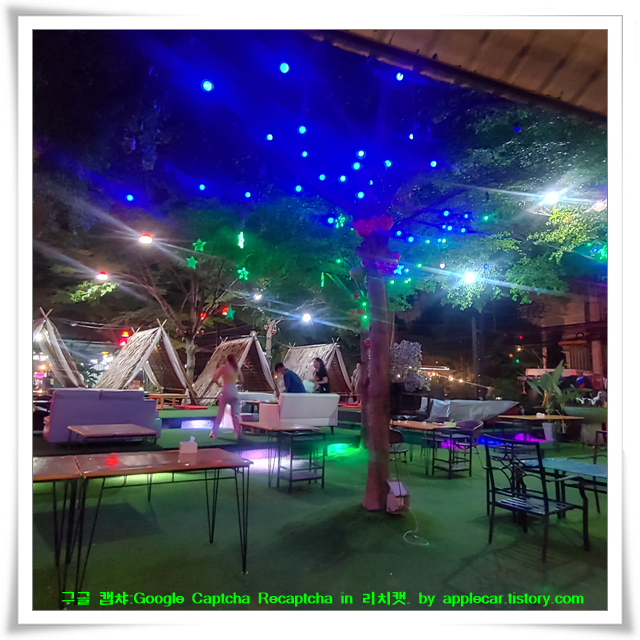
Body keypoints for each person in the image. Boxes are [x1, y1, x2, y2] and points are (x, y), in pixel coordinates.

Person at [210, 354, 243, 439]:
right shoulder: (237, 369)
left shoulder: (223, 368)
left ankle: (214, 433)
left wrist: (219, 384)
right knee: (236, 414)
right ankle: (238, 433)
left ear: (227, 360)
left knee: (220, 413)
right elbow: (242, 380)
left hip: (226, 389)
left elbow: (214, 378)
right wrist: (235, 383)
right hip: (234, 390)